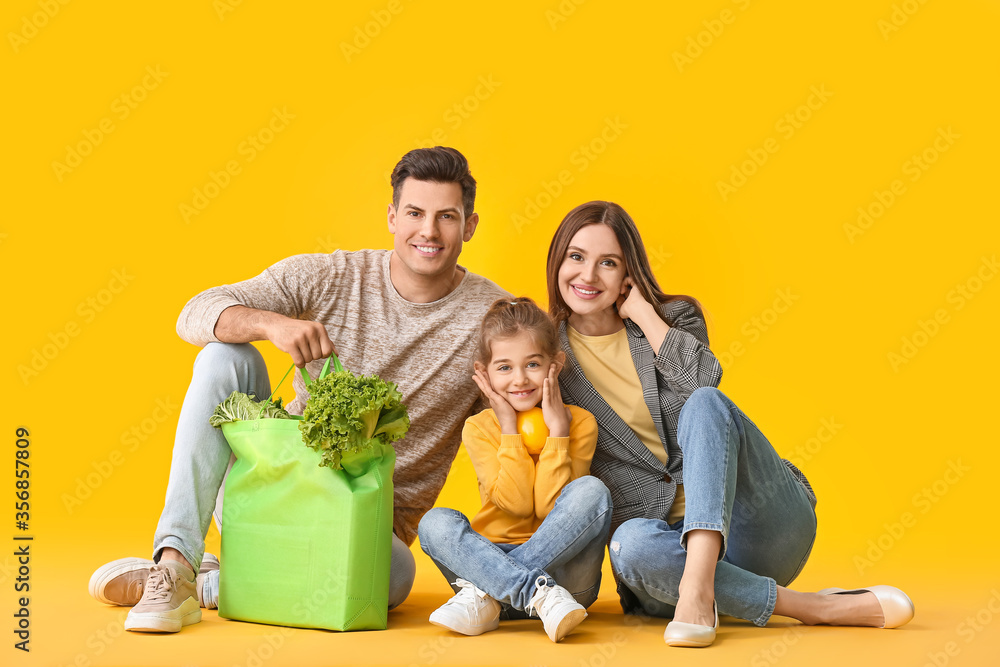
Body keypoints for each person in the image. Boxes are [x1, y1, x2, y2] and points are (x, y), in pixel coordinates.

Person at [87, 146, 510, 633]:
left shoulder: (492, 319)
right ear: (392, 217)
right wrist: (272, 325)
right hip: (268, 491)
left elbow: (521, 418)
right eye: (414, 213)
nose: (428, 232)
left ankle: (217, 583)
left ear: (470, 226)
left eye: (447, 217)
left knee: (395, 577)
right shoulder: (333, 276)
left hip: (362, 527)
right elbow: (194, 313)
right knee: (225, 356)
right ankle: (176, 562)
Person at [546, 201, 914, 648]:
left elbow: (706, 382)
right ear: (558, 260)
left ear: (628, 273)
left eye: (608, 263)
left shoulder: (673, 318)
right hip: (665, 559)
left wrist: (643, 314)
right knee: (629, 543)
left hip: (756, 525)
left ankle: (702, 586)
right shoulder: (546, 357)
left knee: (704, 403)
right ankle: (812, 607)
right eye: (576, 256)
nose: (587, 276)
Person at [418, 297, 611, 643]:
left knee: (592, 492)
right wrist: (508, 428)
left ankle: (492, 597)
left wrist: (558, 433)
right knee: (434, 523)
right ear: (484, 373)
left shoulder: (579, 423)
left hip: (565, 579)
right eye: (504, 367)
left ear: (556, 364)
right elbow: (517, 504)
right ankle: (535, 594)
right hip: (489, 559)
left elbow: (545, 510)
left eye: (533, 364)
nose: (519, 379)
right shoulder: (480, 428)